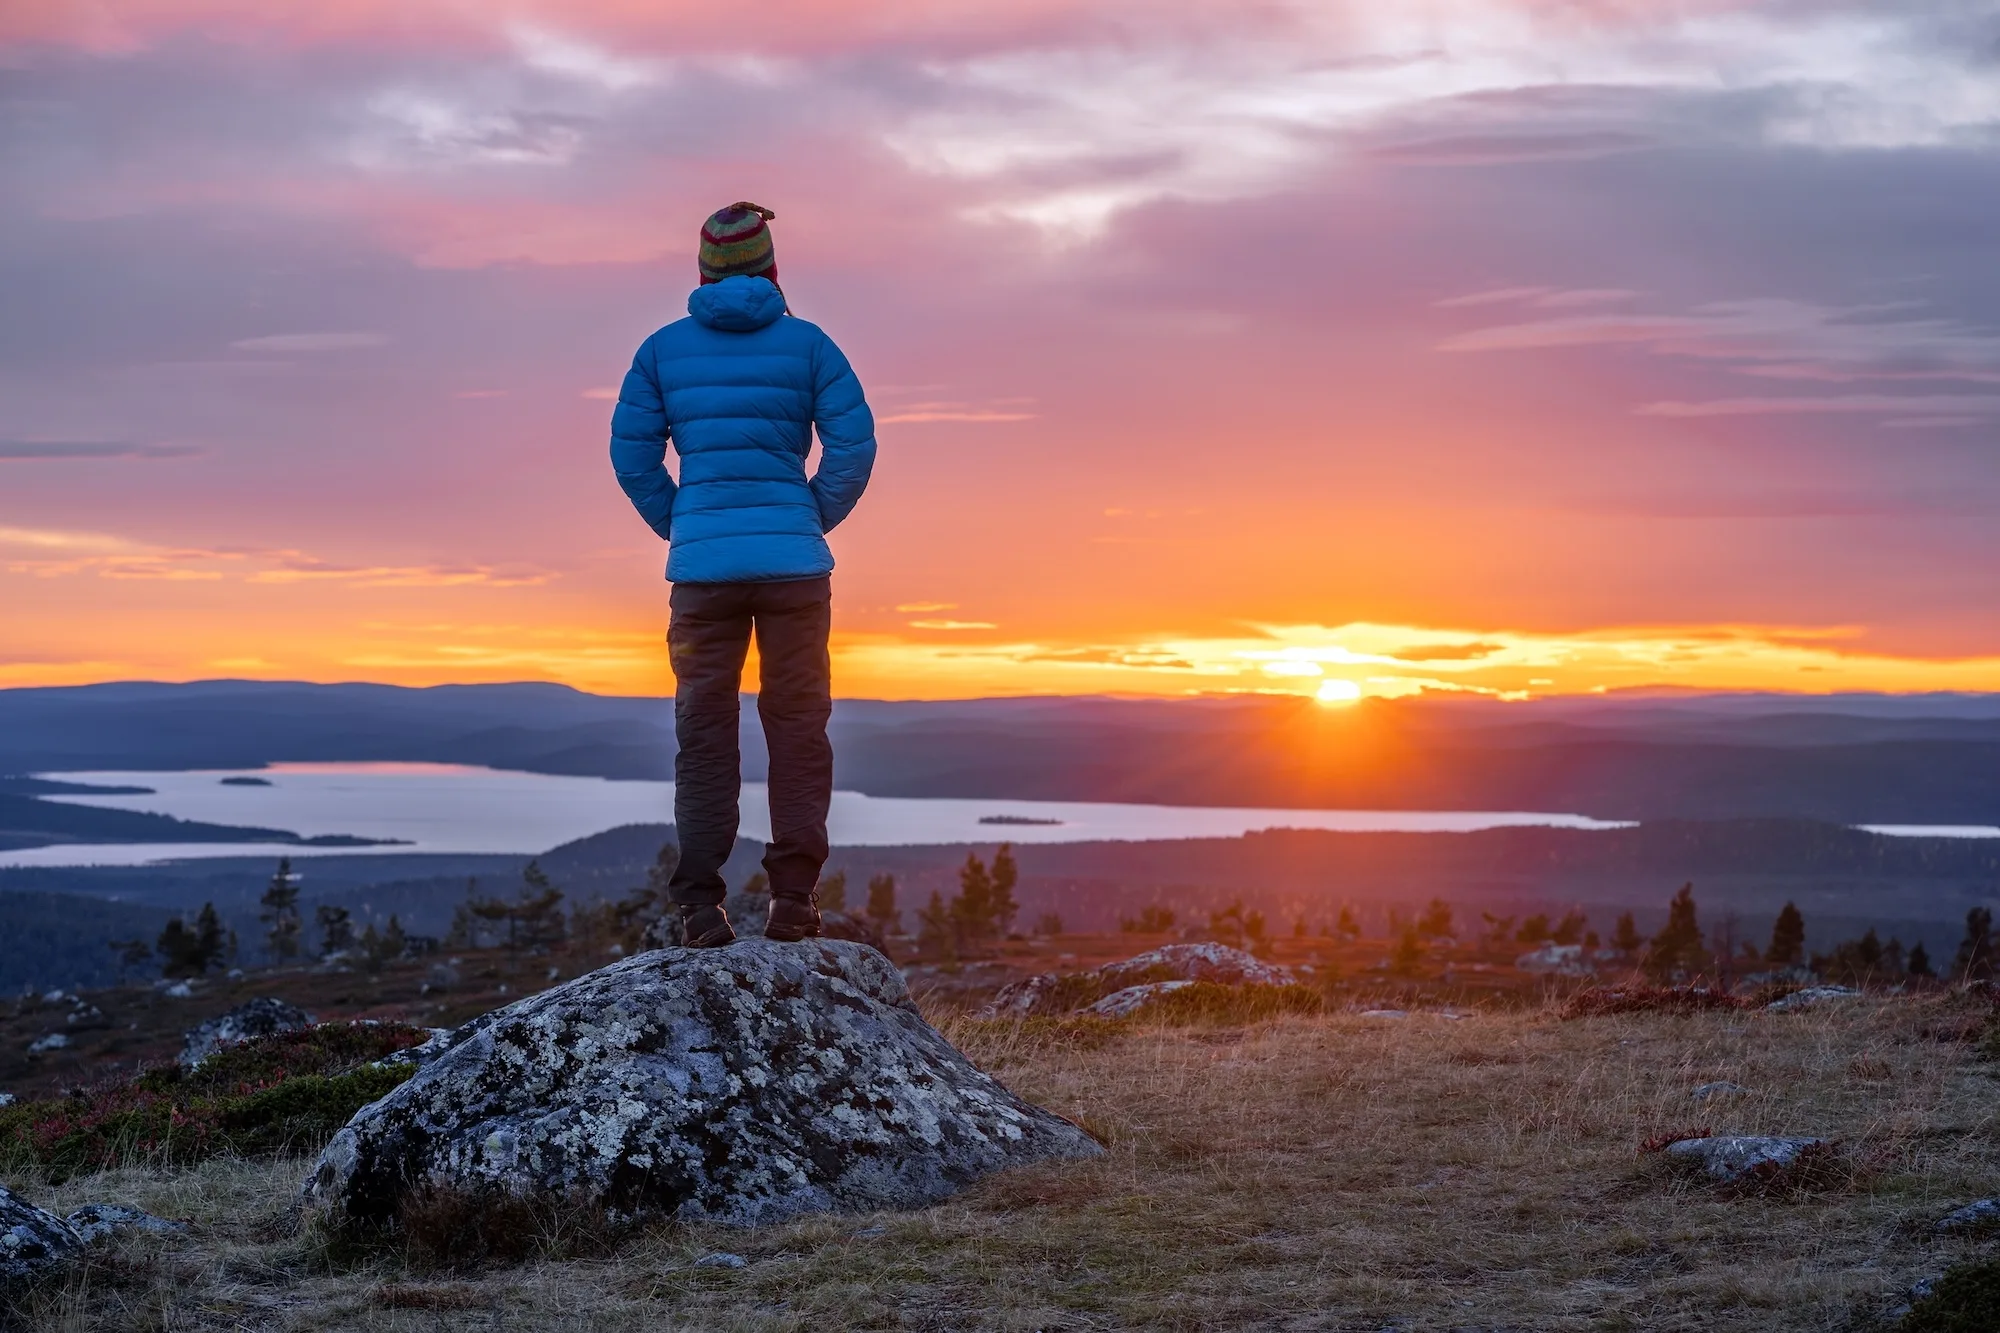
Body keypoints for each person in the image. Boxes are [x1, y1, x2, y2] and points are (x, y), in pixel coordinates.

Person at [609, 202, 876, 947]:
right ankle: (793, 902)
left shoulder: (660, 353)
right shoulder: (811, 347)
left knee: (704, 735)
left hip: (702, 580)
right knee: (797, 732)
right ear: (771, 268)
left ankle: (700, 908)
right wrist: (807, 514)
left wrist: (683, 524)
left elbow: (632, 455)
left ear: (702, 273)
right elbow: (853, 446)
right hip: (795, 573)